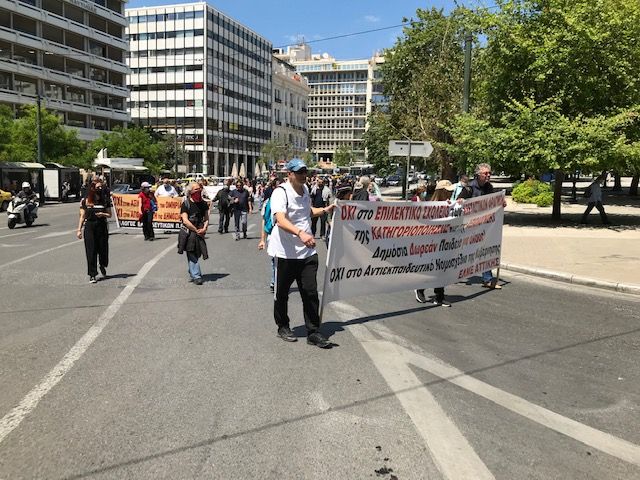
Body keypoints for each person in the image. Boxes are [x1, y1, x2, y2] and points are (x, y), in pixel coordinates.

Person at [268, 158, 336, 348]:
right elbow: (280, 219)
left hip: (307, 252)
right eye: (299, 172)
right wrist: (300, 233)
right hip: (285, 253)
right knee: (282, 294)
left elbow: (307, 212)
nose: (303, 175)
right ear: (289, 174)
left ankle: (313, 332)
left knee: (310, 292)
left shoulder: (305, 189)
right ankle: (283, 326)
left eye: (305, 172)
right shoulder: (280, 192)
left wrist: (324, 210)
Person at [414, 180, 459, 306]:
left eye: (451, 191)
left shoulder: (450, 204)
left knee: (442, 270)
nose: (450, 193)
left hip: (445, 243)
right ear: (441, 192)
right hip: (431, 243)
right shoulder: (430, 206)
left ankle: (439, 296)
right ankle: (420, 289)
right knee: (431, 270)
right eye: (447, 191)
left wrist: (458, 205)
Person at [469, 163, 503, 289]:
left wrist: (501, 203)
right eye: (485, 173)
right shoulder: (470, 188)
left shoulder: (489, 187)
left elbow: (492, 202)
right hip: (469, 227)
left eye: (489, 173)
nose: (488, 175)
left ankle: (487, 279)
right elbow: (461, 202)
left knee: (484, 249)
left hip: (483, 226)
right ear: (478, 175)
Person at [76, 177, 111, 284]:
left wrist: (102, 214)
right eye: (98, 187)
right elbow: (82, 216)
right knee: (91, 251)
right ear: (92, 188)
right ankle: (92, 274)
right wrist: (79, 230)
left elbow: (109, 214)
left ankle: (102, 264)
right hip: (90, 226)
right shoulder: (86, 200)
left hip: (101, 225)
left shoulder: (105, 199)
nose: (100, 189)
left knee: (103, 249)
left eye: (101, 187)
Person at [178, 182, 209, 285]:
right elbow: (185, 220)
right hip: (189, 232)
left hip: (200, 231)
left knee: (198, 252)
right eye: (196, 189)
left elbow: (206, 218)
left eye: (199, 189)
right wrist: (195, 230)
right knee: (191, 251)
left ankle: (192, 269)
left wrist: (204, 228)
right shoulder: (186, 204)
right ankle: (196, 275)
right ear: (190, 191)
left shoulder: (203, 204)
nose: (198, 191)